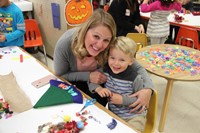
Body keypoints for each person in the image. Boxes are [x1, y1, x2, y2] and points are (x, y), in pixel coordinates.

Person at [54, 9, 153, 112]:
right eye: (96, 36)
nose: (100, 45)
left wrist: (148, 89)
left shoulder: (111, 46)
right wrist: (88, 76)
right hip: (71, 85)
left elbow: (136, 66)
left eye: (106, 40)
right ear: (86, 30)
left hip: (97, 89)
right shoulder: (65, 43)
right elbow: (60, 74)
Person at [89, 36, 154, 132]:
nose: (116, 63)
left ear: (131, 61)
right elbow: (91, 81)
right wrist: (98, 89)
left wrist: (122, 100)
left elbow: (140, 102)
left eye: (122, 60)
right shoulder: (105, 70)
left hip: (134, 117)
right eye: (112, 58)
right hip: (113, 115)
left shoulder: (135, 78)